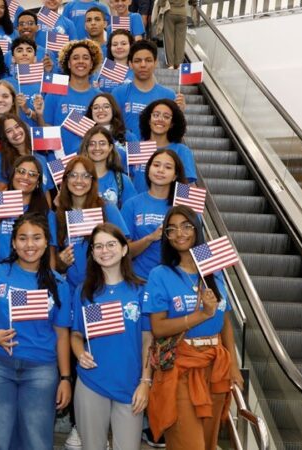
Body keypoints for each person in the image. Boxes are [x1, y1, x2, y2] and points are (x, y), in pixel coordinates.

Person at [145, 205, 243, 449]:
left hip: (215, 366)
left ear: (197, 229)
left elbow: (225, 322)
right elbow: (158, 328)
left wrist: (233, 364)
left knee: (209, 444)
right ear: (166, 236)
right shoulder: (160, 274)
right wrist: (201, 314)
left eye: (186, 226)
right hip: (180, 368)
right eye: (172, 228)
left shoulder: (215, 270)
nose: (180, 233)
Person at [0, 212, 72, 450]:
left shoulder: (59, 283)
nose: (30, 245)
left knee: (37, 442)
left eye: (37, 238)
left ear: (46, 241)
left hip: (41, 370)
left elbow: (62, 335)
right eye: (23, 238)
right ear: (13, 243)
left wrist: (66, 378)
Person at [71, 223, 152, 449]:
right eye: (98, 246)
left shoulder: (141, 290)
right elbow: (76, 334)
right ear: (93, 254)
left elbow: (148, 340)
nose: (104, 251)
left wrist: (146, 381)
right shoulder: (85, 291)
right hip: (92, 381)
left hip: (131, 384)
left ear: (124, 249)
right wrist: (79, 354)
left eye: (110, 244)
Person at [55, 155, 130, 292]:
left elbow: (125, 246)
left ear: (93, 180)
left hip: (104, 289)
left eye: (85, 176)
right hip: (71, 291)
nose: (79, 181)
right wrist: (60, 262)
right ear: (65, 180)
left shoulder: (108, 209)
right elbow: (50, 260)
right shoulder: (57, 215)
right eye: (73, 175)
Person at [121, 148, 188, 280]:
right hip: (139, 280)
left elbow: (199, 246)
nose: (161, 170)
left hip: (175, 281)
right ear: (148, 169)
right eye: (156, 165)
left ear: (175, 175)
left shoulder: (184, 206)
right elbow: (122, 252)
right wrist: (150, 238)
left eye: (168, 167)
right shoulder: (131, 204)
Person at [0, 155, 58, 265]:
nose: (26, 177)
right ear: (13, 175)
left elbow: (50, 259)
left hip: (32, 276)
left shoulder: (47, 214)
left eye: (32, 174)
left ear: (38, 183)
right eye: (21, 171)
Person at [112, 39, 185, 140]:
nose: (143, 65)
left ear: (155, 63)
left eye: (148, 60)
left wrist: (179, 114)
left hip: (158, 153)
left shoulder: (169, 95)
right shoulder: (118, 93)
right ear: (130, 64)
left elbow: (175, 133)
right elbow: (112, 127)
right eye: (137, 61)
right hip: (128, 151)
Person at [43, 40, 103, 155]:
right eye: (75, 58)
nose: (81, 61)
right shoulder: (55, 92)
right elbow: (47, 126)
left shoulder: (99, 96)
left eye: (85, 58)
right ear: (69, 64)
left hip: (89, 162)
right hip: (58, 161)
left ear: (91, 64)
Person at [130, 98, 197, 193]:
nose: (160, 119)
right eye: (156, 115)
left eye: (166, 117)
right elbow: (127, 179)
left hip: (168, 207)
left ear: (172, 124)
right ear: (149, 120)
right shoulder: (136, 148)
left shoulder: (181, 150)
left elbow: (187, 187)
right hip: (137, 206)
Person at [0, 113, 54, 193]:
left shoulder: (41, 159)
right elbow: (0, 190)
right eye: (9, 131)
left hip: (40, 205)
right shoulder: (1, 157)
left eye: (17, 127)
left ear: (23, 127)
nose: (16, 132)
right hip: (15, 205)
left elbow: (45, 192)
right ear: (5, 137)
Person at [78, 125, 137, 209]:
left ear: (110, 147)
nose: (97, 148)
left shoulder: (122, 180)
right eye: (92, 144)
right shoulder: (77, 179)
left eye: (102, 143)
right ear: (86, 148)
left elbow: (130, 213)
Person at [158, 0, 195, 69]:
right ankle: (179, 64)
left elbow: (162, 2)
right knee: (180, 40)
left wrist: (161, 4)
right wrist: (193, 3)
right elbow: (193, 1)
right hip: (182, 13)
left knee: (169, 39)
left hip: (170, 12)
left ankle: (170, 64)